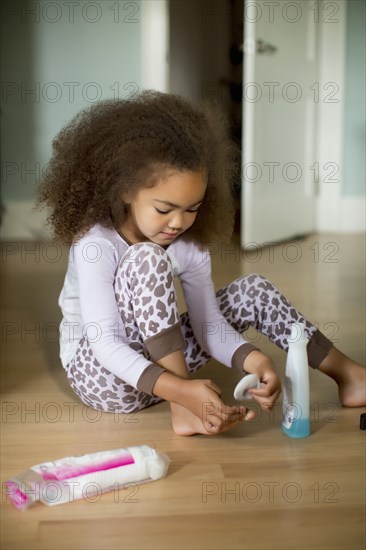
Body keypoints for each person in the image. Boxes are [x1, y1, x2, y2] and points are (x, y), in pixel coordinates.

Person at [37, 90, 366, 436]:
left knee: (253, 290)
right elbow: (106, 344)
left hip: (154, 372)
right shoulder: (95, 243)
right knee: (146, 257)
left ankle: (350, 375)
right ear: (124, 191)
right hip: (103, 377)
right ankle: (183, 408)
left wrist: (256, 360)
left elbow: (208, 325)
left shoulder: (187, 241)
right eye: (164, 209)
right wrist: (182, 392)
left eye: (192, 208)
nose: (178, 222)